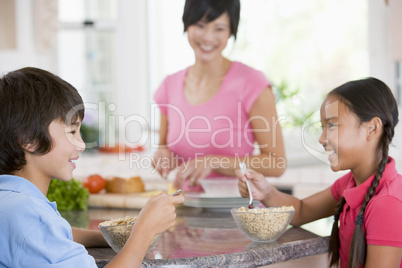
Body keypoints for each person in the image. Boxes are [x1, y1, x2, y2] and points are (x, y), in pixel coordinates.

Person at [0, 67, 184, 268]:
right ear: (30, 140)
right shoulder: (30, 214)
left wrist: (111, 237)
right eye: (71, 131)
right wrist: (144, 231)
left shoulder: (13, 202)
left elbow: (55, 233)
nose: (81, 144)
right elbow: (41, 229)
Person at [236, 77, 402, 268]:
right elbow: (301, 210)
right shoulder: (349, 183)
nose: (322, 139)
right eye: (323, 127)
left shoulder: (387, 203)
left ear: (372, 128)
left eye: (331, 125)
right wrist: (266, 192)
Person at [153, 0, 286, 191]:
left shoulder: (251, 82)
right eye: (200, 25)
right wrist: (162, 155)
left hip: (237, 213)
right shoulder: (169, 86)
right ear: (186, 24)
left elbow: (277, 163)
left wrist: (216, 162)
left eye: (219, 28)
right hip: (184, 210)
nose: (208, 37)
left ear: (231, 31)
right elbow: (164, 148)